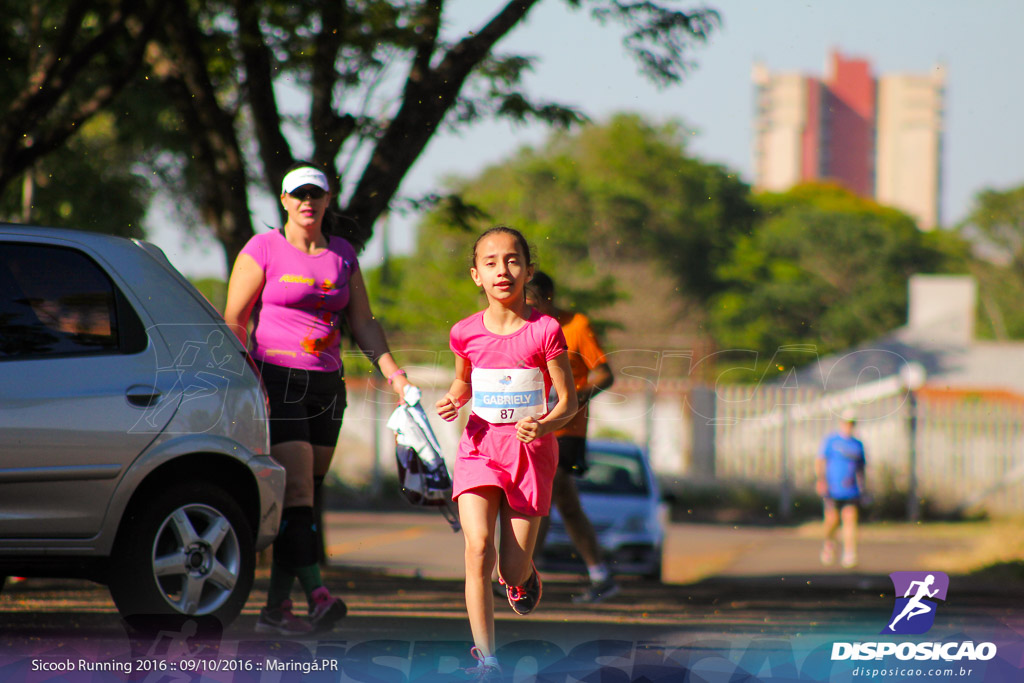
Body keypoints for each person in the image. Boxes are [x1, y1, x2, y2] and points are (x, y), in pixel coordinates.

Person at [224, 161, 413, 635]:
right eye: (298, 194)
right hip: (277, 380)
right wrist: (246, 377)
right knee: (300, 492)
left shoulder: (343, 254)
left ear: (328, 201)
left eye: (316, 194)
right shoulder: (263, 248)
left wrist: (394, 374)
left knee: (302, 501)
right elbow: (234, 320)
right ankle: (318, 596)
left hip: (328, 387)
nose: (307, 201)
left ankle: (273, 610)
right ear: (284, 202)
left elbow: (364, 322)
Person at [436, 226, 577, 681]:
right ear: (476, 275)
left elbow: (568, 403)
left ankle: (523, 576)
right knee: (478, 548)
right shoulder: (464, 332)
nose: (503, 270)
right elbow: (464, 380)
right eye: (491, 262)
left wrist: (545, 424)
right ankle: (488, 660)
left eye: (513, 260)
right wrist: (454, 400)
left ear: (528, 270)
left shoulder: (545, 330)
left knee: (510, 568)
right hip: (479, 447)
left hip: (530, 451)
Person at [526, 271, 619, 604]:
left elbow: (604, 373)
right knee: (559, 502)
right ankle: (600, 574)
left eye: (530, 299)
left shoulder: (576, 325)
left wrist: (577, 397)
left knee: (548, 498)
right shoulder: (521, 326)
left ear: (547, 297)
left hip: (567, 430)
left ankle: (522, 576)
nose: (524, 305)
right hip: (530, 428)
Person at [816, 409, 867, 569]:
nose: (849, 426)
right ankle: (829, 543)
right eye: (846, 422)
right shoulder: (831, 441)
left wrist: (863, 487)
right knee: (832, 520)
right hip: (833, 489)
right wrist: (821, 480)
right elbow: (820, 461)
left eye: (852, 423)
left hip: (851, 490)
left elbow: (861, 468)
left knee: (850, 519)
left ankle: (850, 553)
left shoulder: (858, 445)